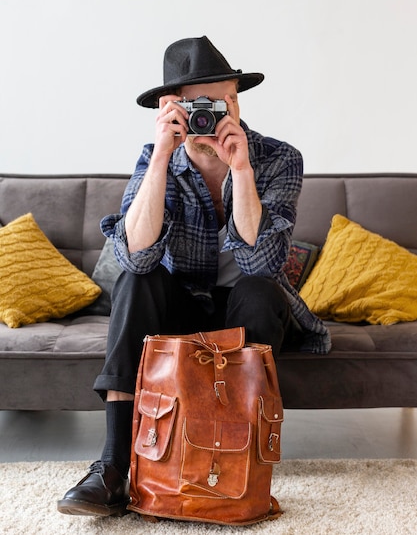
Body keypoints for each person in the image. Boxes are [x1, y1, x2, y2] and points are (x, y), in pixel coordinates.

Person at [57, 35, 331, 517]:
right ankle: (113, 468)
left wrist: (240, 170)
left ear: (236, 100)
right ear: (171, 109)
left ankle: (232, 466)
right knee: (138, 282)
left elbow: (261, 263)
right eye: (197, 105)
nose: (212, 115)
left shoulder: (279, 159)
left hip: (246, 309)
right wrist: (163, 155)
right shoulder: (154, 158)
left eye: (222, 101)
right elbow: (138, 258)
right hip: (176, 308)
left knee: (259, 290)